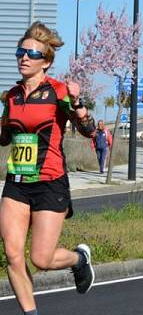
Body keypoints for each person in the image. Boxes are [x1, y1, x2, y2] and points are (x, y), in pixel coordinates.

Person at [0, 22, 97, 315]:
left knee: (41, 259)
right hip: (16, 181)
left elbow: (89, 131)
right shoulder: (12, 96)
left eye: (32, 53)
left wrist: (78, 103)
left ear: (47, 61)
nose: (24, 58)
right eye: (21, 51)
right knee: (13, 254)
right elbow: (4, 137)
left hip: (50, 181)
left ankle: (79, 260)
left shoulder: (58, 92)